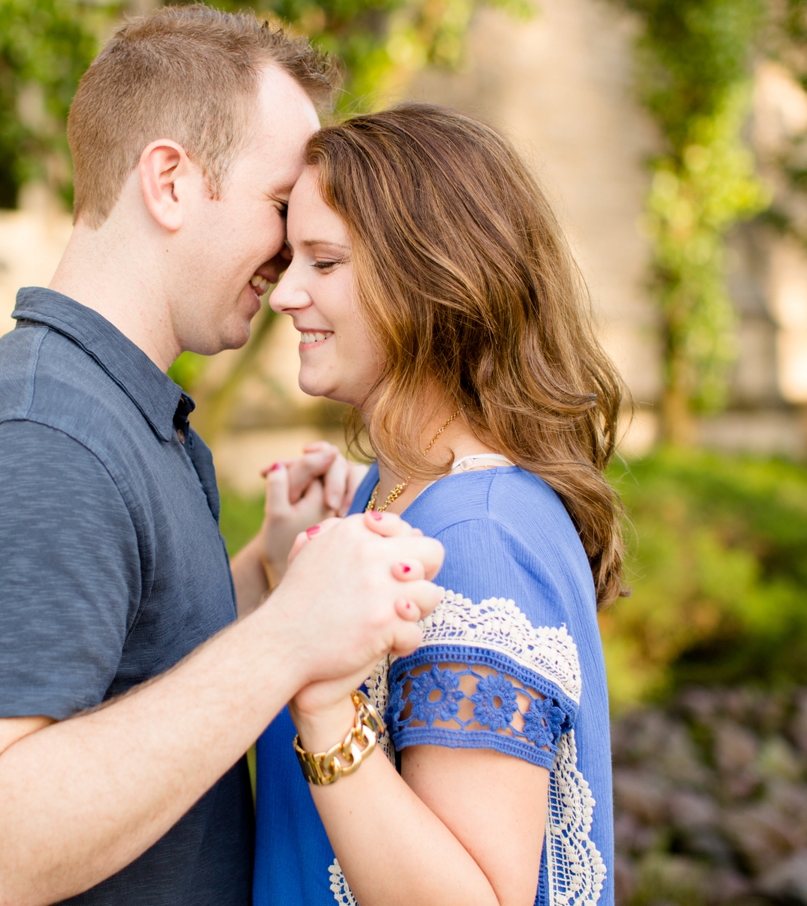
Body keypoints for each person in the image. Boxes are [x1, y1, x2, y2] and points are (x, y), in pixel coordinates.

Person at [0, 7, 445, 906]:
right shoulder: (39, 443)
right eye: (281, 207)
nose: (291, 253)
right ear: (170, 182)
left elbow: (132, 672)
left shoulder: (117, 415)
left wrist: (268, 575)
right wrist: (291, 638)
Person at [252, 103, 626, 906]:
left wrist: (323, 702)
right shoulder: (381, 496)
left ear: (429, 278)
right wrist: (281, 564)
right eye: (290, 260)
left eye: (323, 261)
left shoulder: (479, 535)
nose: (284, 294)